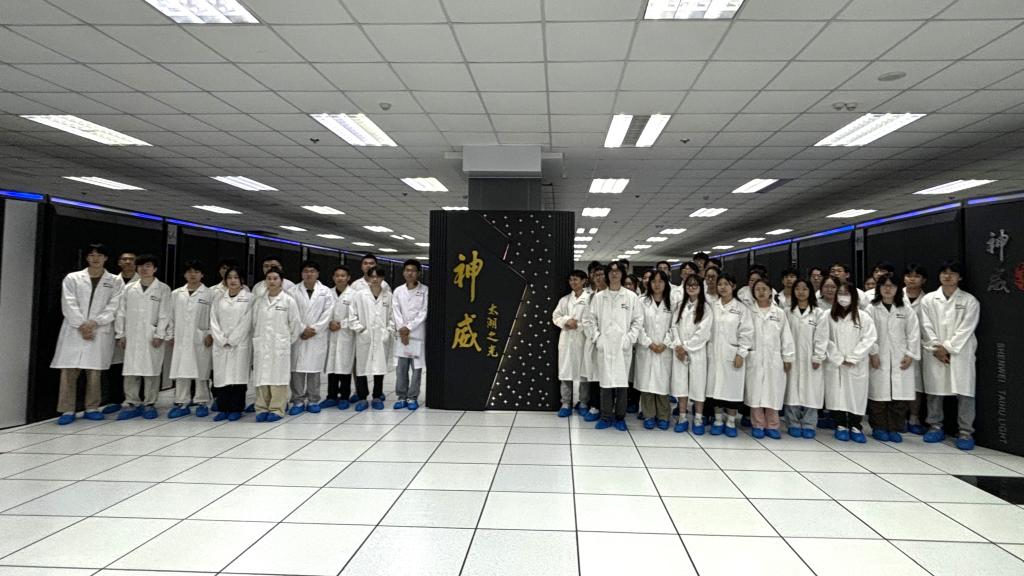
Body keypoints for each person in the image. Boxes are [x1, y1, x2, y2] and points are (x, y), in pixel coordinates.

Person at [50, 244, 125, 425]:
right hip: (75, 329)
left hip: (99, 329)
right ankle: (67, 410)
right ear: (86, 258)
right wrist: (82, 324)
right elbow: (68, 302)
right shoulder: (73, 278)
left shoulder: (115, 281)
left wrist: (94, 323)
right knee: (69, 372)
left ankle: (92, 407)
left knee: (94, 373)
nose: (95, 258)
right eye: (91, 255)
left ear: (106, 258)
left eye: (99, 255)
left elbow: (114, 305)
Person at [919, 261, 980, 450]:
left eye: (952, 273)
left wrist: (947, 348)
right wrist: (937, 348)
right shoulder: (928, 299)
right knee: (935, 392)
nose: (947, 276)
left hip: (960, 352)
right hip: (935, 352)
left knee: (964, 393)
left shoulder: (969, 301)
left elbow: (967, 328)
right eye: (944, 272)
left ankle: (965, 432)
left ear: (959, 277)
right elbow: (925, 326)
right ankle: (935, 426)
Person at [583, 261, 642, 431]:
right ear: (607, 275)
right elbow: (590, 320)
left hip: (623, 346)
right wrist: (597, 338)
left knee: (622, 384)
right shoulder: (599, 297)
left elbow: (638, 320)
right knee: (605, 383)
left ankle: (620, 418)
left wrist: (629, 338)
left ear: (623, 274)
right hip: (605, 345)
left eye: (617, 271)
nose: (614, 274)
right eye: (611, 271)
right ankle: (606, 416)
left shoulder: (631, 297)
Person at [115, 254, 171, 420]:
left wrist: (160, 334)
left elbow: (165, 314)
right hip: (132, 335)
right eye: (141, 266)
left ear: (155, 269)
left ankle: (149, 403)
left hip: (152, 336)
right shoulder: (129, 288)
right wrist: (121, 334)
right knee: (131, 371)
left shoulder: (163, 289)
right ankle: (132, 402)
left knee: (151, 370)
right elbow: (121, 312)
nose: (144, 269)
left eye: (148, 266)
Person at [867, 273, 920, 443]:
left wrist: (910, 354)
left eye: (891, 285)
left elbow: (913, 334)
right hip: (878, 357)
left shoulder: (906, 310)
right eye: (884, 285)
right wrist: (873, 353)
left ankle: (895, 428)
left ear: (898, 288)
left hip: (900, 358)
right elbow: (868, 334)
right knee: (879, 396)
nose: (888, 289)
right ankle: (879, 427)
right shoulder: (871, 308)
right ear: (879, 288)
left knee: (899, 397)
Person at [824, 281, 877, 443]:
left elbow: (869, 339)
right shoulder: (827, 315)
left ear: (854, 296)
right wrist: (838, 357)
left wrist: (854, 357)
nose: (843, 297)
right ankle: (841, 425)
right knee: (837, 394)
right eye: (840, 293)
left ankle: (856, 425)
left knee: (856, 395)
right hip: (836, 363)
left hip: (856, 364)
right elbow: (824, 338)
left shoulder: (864, 317)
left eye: (846, 294)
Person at [745, 278, 795, 439]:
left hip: (774, 358)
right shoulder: (749, 311)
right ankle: (757, 424)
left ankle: (773, 425)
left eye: (764, 289)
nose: (761, 292)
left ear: (770, 291)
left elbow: (786, 336)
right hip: (754, 357)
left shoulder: (779, 313)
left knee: (773, 391)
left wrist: (787, 357)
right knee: (756, 392)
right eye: (757, 289)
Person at [252, 268, 303, 422]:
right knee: (261, 378)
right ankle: (261, 408)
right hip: (262, 344)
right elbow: (254, 323)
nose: (272, 281)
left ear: (281, 281)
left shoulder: (288, 301)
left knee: (278, 378)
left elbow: (295, 325)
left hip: (279, 346)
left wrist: (284, 341)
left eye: (275, 278)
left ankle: (277, 409)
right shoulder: (259, 301)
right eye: (269, 278)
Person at [706, 273, 753, 437]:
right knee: (715, 388)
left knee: (732, 389)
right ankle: (718, 420)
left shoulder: (741, 309)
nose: (723, 287)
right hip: (714, 353)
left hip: (733, 354)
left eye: (726, 284)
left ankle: (731, 421)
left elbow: (747, 332)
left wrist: (741, 353)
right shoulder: (712, 306)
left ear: (733, 286)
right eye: (720, 284)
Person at [166, 260, 214, 418]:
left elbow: (214, 316)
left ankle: (202, 402)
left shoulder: (209, 294)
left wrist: (210, 333)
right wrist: (170, 334)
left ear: (202, 274)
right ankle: (182, 402)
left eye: (196, 272)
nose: (193, 275)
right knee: (181, 371)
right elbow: (170, 316)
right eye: (189, 272)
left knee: (201, 371)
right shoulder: (176, 294)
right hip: (181, 338)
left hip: (201, 338)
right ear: (185, 274)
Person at [784, 279, 829, 438]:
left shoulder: (818, 313)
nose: (801, 292)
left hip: (811, 359)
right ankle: (793, 422)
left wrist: (818, 356)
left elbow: (822, 337)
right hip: (792, 357)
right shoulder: (787, 312)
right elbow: (784, 336)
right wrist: (786, 356)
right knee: (791, 390)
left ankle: (810, 423)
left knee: (812, 390)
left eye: (804, 289)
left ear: (810, 291)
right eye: (798, 289)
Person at [287, 260, 332, 415]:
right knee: (297, 370)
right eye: (306, 271)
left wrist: (314, 329)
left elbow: (328, 313)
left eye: (312, 271)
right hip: (298, 335)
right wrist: (301, 329)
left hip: (316, 335)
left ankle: (313, 400)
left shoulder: (326, 292)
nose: (309, 274)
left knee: (314, 370)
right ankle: (297, 400)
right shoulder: (292, 291)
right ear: (301, 274)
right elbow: (291, 314)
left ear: (318, 274)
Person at [670, 274, 713, 434]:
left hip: (697, 351)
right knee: (681, 385)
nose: (692, 287)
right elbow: (673, 327)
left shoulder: (706, 308)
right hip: (680, 352)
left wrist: (686, 347)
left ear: (701, 288)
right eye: (689, 285)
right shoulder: (679, 306)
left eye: (695, 285)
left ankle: (698, 418)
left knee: (698, 386)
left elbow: (703, 332)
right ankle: (682, 417)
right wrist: (678, 346)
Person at [349, 265, 394, 411]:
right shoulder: (359, 295)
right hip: (364, 337)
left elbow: (392, 317)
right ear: (368, 278)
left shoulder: (388, 296)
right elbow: (352, 315)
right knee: (361, 368)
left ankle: (377, 396)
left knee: (379, 368)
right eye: (372, 276)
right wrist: (360, 330)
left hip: (381, 337)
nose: (375, 279)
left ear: (383, 278)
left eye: (378, 276)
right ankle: (362, 397)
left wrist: (388, 331)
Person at [209, 267, 252, 421]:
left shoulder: (250, 298)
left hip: (239, 344)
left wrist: (233, 339)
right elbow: (213, 320)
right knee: (222, 377)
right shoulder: (218, 298)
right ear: (225, 280)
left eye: (236, 277)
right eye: (229, 277)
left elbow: (247, 321)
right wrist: (221, 339)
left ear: (242, 280)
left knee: (238, 378)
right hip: (221, 344)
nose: (233, 280)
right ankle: (223, 408)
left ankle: (236, 408)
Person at [635, 270, 674, 430]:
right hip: (647, 348)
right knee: (647, 383)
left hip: (665, 349)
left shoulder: (673, 302)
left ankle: (663, 416)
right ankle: (649, 415)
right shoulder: (641, 301)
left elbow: (675, 326)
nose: (657, 285)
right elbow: (637, 325)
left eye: (660, 281)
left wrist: (665, 343)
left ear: (666, 283)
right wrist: (649, 343)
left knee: (663, 384)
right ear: (649, 284)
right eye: (654, 281)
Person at [102, 250, 138, 414]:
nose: (128, 262)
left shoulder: (142, 282)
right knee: (115, 365)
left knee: (135, 367)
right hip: (112, 328)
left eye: (131, 259)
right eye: (124, 259)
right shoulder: (111, 281)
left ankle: (136, 399)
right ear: (119, 262)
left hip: (135, 330)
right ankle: (115, 399)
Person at [553, 270, 590, 417]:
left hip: (583, 340)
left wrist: (578, 325)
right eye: (571, 280)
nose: (573, 282)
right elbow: (555, 316)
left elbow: (592, 320)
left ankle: (583, 402)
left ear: (584, 281)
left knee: (584, 374)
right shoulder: (564, 300)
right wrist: (566, 321)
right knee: (566, 372)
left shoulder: (590, 298)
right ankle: (566, 403)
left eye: (576, 279)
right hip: (567, 340)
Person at [393, 259, 428, 410]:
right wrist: (402, 328)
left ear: (418, 273)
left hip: (417, 333)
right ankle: (401, 396)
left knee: (416, 368)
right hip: (401, 334)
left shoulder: (425, 290)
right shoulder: (398, 291)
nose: (410, 273)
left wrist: (409, 327)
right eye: (407, 270)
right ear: (403, 273)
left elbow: (423, 312)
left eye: (413, 270)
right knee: (401, 367)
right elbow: (395, 311)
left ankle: (412, 397)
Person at [323, 265, 356, 409]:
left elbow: (357, 315)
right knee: (331, 367)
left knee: (344, 367)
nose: (340, 278)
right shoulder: (327, 293)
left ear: (348, 278)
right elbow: (323, 312)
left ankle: (344, 397)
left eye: (343, 276)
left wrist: (342, 324)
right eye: (337, 276)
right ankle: (331, 396)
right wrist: (329, 322)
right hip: (330, 333)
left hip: (346, 334)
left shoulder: (354, 295)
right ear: (333, 278)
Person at [902, 263, 930, 434]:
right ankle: (900, 418)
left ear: (923, 280)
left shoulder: (928, 300)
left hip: (920, 347)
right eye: (909, 275)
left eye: (916, 276)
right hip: (897, 346)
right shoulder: (896, 296)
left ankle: (914, 418)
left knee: (917, 385)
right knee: (899, 383)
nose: (912, 279)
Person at [577, 263, 606, 421]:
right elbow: (586, 320)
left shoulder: (614, 295)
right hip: (595, 342)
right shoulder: (591, 297)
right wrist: (596, 337)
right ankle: (594, 406)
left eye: (601, 275)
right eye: (596, 275)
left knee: (609, 378)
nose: (599, 278)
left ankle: (608, 409)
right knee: (595, 377)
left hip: (611, 343)